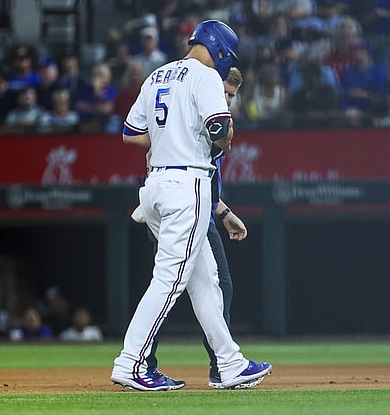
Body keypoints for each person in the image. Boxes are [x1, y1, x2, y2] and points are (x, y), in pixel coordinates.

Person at [112, 19, 271, 391]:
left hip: (156, 185)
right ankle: (131, 362)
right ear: (220, 50)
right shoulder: (205, 76)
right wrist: (225, 138)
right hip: (187, 185)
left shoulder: (157, 75)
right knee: (170, 279)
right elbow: (218, 127)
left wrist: (167, 139)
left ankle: (230, 363)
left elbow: (131, 133)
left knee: (205, 280)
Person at [140, 66, 255, 388]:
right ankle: (144, 362)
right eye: (224, 92)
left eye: (232, 95)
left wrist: (223, 211)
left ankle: (222, 365)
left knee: (195, 287)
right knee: (171, 290)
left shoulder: (208, 122)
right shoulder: (193, 117)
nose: (227, 100)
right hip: (181, 208)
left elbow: (207, 177)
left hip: (199, 208)